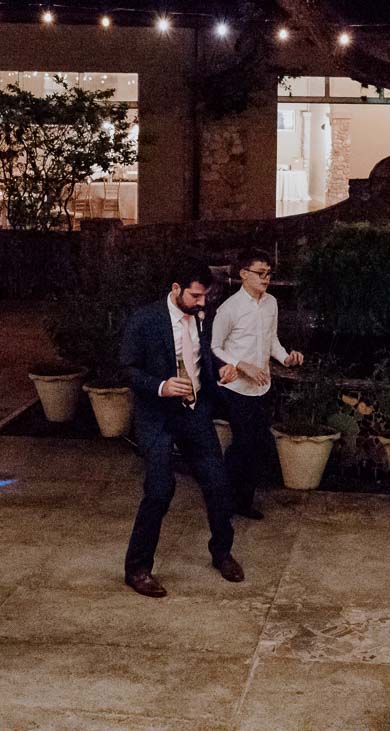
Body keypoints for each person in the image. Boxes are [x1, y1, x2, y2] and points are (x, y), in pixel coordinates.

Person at [122, 261, 242, 598]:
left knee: (218, 485)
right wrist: (160, 386)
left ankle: (222, 553)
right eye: (195, 295)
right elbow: (126, 369)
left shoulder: (203, 316)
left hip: (195, 412)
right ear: (176, 289)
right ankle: (138, 568)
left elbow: (203, 357)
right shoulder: (145, 320)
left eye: (205, 296)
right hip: (157, 416)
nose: (202, 302)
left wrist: (222, 371)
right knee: (159, 490)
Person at [211, 248, 304, 520]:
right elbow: (215, 348)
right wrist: (241, 365)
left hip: (261, 387)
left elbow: (271, 340)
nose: (266, 278)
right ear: (243, 274)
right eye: (260, 273)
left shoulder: (271, 303)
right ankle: (223, 500)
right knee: (243, 443)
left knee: (254, 446)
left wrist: (286, 358)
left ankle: (243, 502)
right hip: (236, 389)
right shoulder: (229, 308)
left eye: (268, 274)